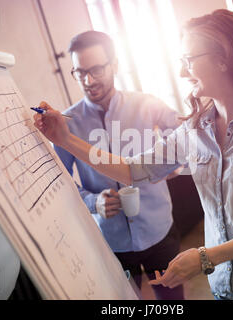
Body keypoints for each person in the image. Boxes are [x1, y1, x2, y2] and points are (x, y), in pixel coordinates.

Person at [34, 10, 233, 300]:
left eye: (189, 61)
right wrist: (65, 139)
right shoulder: (193, 129)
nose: (182, 72)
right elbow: (132, 169)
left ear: (224, 58)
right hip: (224, 290)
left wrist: (206, 257)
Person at [53, 31, 184, 300]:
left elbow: (183, 134)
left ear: (115, 65)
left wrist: (172, 165)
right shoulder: (66, 124)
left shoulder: (146, 104)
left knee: (172, 302)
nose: (88, 80)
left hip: (159, 231)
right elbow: (59, 182)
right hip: (112, 242)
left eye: (97, 69)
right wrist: (93, 203)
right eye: (80, 72)